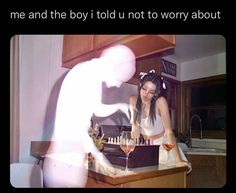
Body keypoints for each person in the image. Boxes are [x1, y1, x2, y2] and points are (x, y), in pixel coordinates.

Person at [43, 44, 136, 187]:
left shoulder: (89, 72)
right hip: (65, 164)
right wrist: (100, 158)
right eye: (120, 79)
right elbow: (77, 128)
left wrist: (118, 107)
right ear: (113, 65)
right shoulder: (87, 75)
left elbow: (96, 109)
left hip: (67, 160)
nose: (118, 86)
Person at [129, 70, 192, 173]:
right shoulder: (133, 100)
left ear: (155, 93)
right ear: (140, 85)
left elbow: (169, 132)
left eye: (151, 92)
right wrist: (134, 153)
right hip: (147, 147)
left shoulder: (160, 102)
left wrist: (178, 159)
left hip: (165, 146)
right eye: (144, 89)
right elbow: (135, 127)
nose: (146, 94)